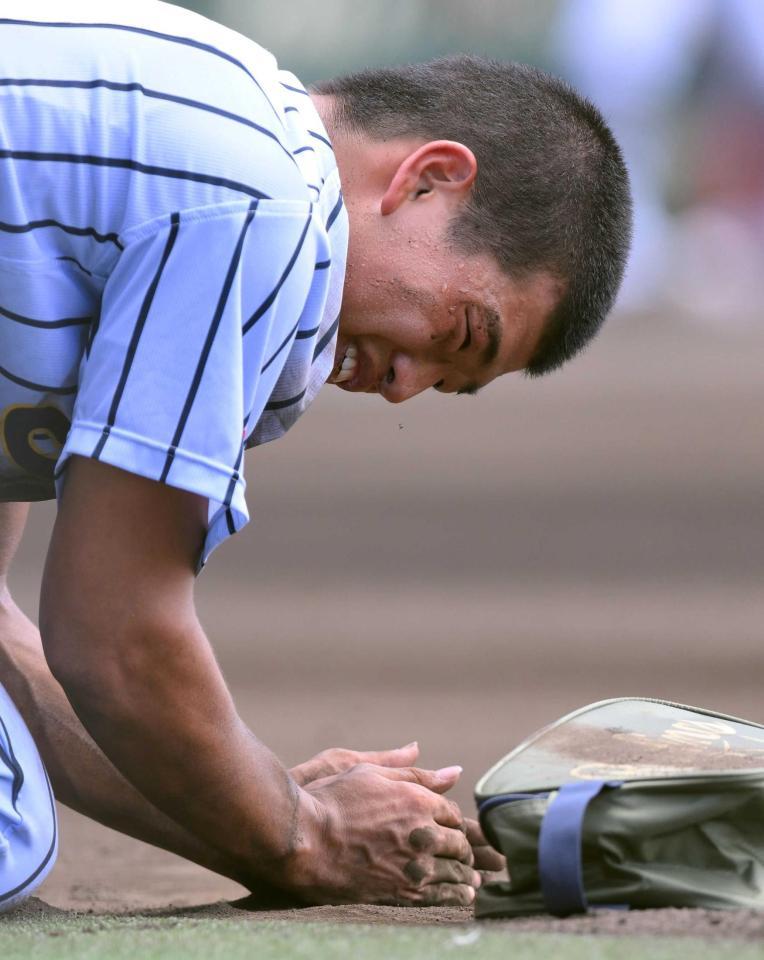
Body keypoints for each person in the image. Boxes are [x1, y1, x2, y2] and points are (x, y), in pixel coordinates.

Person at [0, 0, 631, 910]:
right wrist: (305, 835)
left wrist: (261, 805)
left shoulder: (205, 128)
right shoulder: (269, 203)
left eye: (446, 382)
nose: (406, 387)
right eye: (459, 332)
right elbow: (114, 638)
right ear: (428, 180)